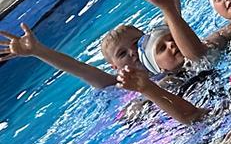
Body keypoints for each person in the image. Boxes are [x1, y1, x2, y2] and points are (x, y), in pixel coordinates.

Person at [0, 23, 206, 124]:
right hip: (150, 118)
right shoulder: (118, 83)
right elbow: (79, 68)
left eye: (136, 44)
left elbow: (172, 17)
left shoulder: (172, 55)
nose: (133, 52)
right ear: (115, 67)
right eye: (123, 53)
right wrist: (38, 51)